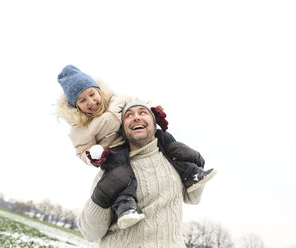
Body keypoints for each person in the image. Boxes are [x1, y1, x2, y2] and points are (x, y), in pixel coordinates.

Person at [56, 65, 215, 230]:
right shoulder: (81, 127)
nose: (90, 102)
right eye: (82, 100)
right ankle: (125, 205)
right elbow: (83, 150)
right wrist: (95, 155)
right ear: (75, 106)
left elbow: (139, 103)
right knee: (121, 172)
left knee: (164, 137)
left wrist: (154, 109)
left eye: (92, 94)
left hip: (140, 145)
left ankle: (190, 173)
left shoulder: (118, 100)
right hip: (114, 151)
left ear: (99, 91)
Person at [77, 102, 211, 247]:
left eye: (142, 112)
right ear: (123, 130)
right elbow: (90, 233)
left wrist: (196, 164)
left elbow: (193, 198)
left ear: (154, 125)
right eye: (129, 115)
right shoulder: (111, 171)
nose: (136, 117)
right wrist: (101, 196)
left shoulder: (174, 160)